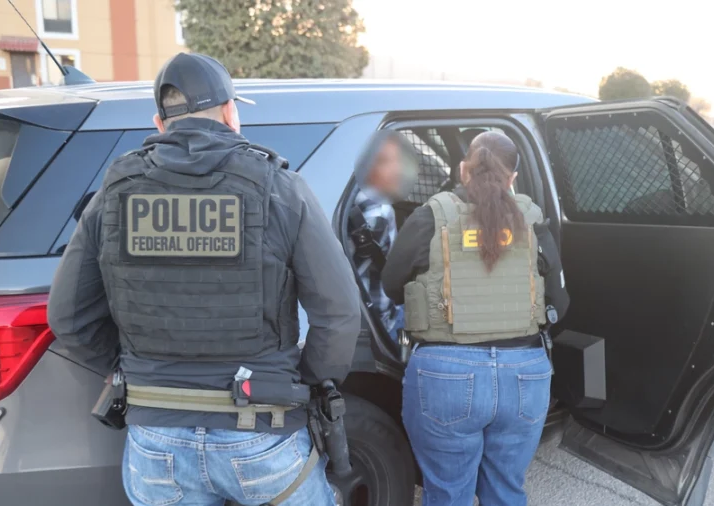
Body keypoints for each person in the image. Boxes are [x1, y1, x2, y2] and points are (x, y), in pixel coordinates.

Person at [47, 53, 361, 506]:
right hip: (262, 428)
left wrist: (132, 367)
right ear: (231, 113)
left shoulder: (114, 192)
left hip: (156, 439)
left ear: (159, 123)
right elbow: (339, 312)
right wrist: (302, 381)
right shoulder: (279, 187)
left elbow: (68, 317)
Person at [382, 131, 569, 506]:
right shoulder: (533, 220)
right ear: (512, 178)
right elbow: (560, 303)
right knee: (506, 490)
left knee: (448, 493)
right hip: (524, 376)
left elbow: (391, 284)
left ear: (463, 170)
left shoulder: (432, 216)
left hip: (445, 376)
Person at [347, 130, 416, 340]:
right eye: (384, 161)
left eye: (398, 160)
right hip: (381, 320)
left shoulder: (350, 197)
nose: (396, 169)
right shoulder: (379, 212)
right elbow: (396, 277)